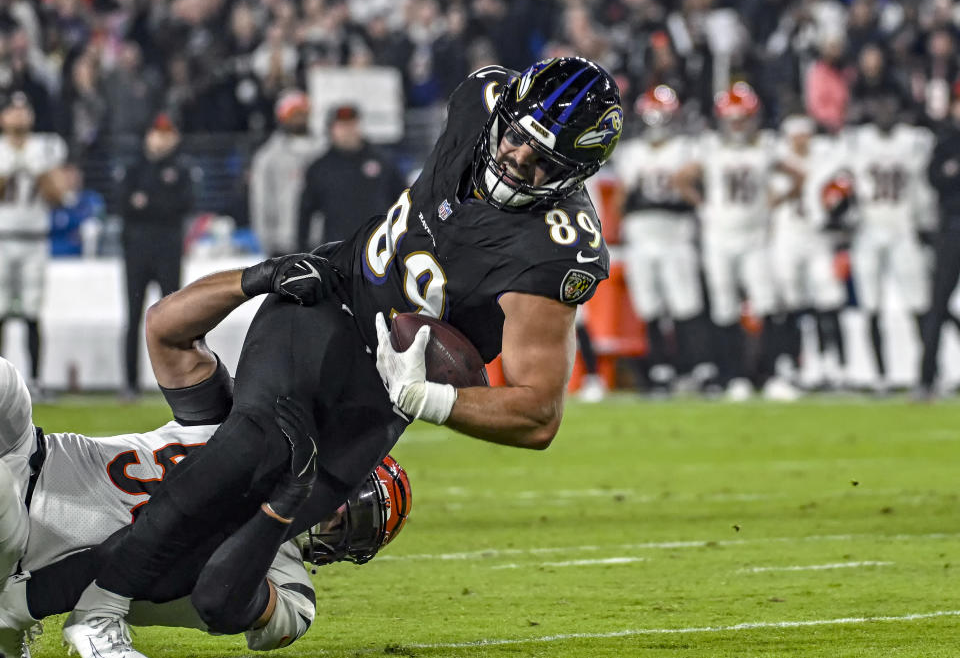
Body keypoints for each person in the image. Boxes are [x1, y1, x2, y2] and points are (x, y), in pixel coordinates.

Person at [64, 56, 622, 657]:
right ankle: (98, 608)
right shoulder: (481, 96)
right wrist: (266, 277)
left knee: (222, 576)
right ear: (503, 113)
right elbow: (163, 326)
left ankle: (44, 598)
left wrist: (426, 398)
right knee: (255, 442)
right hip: (333, 298)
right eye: (515, 136)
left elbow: (539, 415)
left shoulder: (557, 249)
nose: (516, 158)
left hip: (380, 398)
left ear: (577, 172)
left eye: (543, 160)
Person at [0, 277, 411, 656]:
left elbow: (221, 600)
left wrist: (278, 511)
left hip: (21, 549)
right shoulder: (248, 435)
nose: (331, 511)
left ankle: (9, 618)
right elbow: (164, 328)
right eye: (344, 500)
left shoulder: (291, 594)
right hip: (32, 449)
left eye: (345, 522)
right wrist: (255, 278)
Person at [675, 82, 799, 401]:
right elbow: (681, 179)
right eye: (733, 119)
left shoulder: (766, 147)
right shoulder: (711, 147)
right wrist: (703, 206)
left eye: (742, 118)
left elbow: (798, 176)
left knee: (767, 303)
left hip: (754, 236)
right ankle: (734, 377)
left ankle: (770, 375)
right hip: (719, 237)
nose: (738, 125)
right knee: (724, 308)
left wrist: (774, 202)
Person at [614, 85, 706, 394]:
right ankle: (660, 369)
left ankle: (692, 367)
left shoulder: (687, 149)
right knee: (649, 306)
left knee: (684, 305)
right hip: (642, 235)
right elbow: (621, 201)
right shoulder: (632, 154)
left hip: (676, 233)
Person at [839, 93, 934, 393]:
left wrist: (926, 223)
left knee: (919, 302)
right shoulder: (858, 141)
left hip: (904, 228)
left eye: (890, 106)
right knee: (871, 304)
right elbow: (834, 179)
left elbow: (922, 188)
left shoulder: (914, 142)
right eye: (879, 105)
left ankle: (928, 371)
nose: (884, 112)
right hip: (868, 229)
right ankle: (879, 374)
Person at [118, 113, 194, 399]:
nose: (162, 139)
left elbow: (184, 203)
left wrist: (147, 202)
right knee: (133, 317)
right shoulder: (134, 167)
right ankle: (130, 383)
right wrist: (161, 202)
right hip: (137, 251)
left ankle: (179, 383)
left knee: (173, 319)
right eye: (158, 132)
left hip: (168, 251)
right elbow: (123, 203)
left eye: (167, 133)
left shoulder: (181, 168)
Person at [770, 115, 848, 389]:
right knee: (791, 302)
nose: (801, 140)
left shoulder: (825, 158)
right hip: (787, 236)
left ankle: (834, 364)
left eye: (805, 134)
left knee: (829, 298)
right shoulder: (777, 160)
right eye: (796, 135)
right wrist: (797, 183)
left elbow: (840, 188)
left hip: (817, 236)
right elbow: (769, 200)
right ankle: (793, 363)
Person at [0, 92, 69, 400]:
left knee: (32, 312)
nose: (18, 115)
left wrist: (38, 169)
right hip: (2, 239)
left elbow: (59, 196)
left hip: (35, 240)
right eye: (12, 110)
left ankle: (36, 380)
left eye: (23, 109)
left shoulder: (45, 147)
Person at [298, 104, 406, 248]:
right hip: (338, 253)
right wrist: (302, 250)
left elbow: (404, 202)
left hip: (380, 250)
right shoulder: (319, 168)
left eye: (352, 125)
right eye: (342, 126)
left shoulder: (383, 161)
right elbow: (305, 213)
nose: (348, 131)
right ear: (331, 130)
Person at [918, 89, 960, 398]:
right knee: (937, 305)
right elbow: (935, 179)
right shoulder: (945, 142)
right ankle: (926, 378)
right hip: (951, 228)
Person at [249, 90, 324, 256]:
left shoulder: (324, 150)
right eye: (293, 114)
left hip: (321, 238)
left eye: (302, 113)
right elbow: (261, 200)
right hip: (284, 240)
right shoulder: (268, 156)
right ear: (283, 117)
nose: (299, 118)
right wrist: (265, 238)